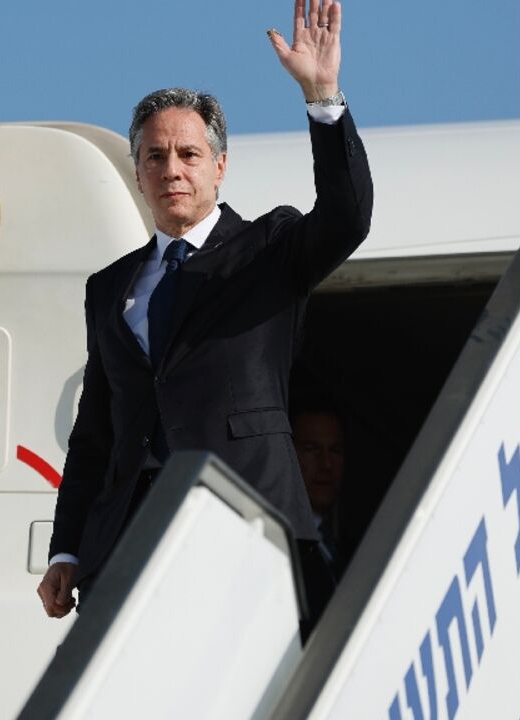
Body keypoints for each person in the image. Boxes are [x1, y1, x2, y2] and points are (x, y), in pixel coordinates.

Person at [37, 0, 372, 620]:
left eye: (189, 155)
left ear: (219, 166)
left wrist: (323, 96)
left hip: (243, 522)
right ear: (138, 174)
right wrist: (67, 549)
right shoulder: (110, 288)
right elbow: (96, 436)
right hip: (126, 546)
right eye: (155, 157)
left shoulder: (267, 250)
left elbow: (348, 218)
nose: (173, 170)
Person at [292, 404, 348, 578]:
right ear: (289, 452)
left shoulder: (356, 548)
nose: (326, 464)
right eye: (311, 449)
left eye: (335, 450)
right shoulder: (276, 539)